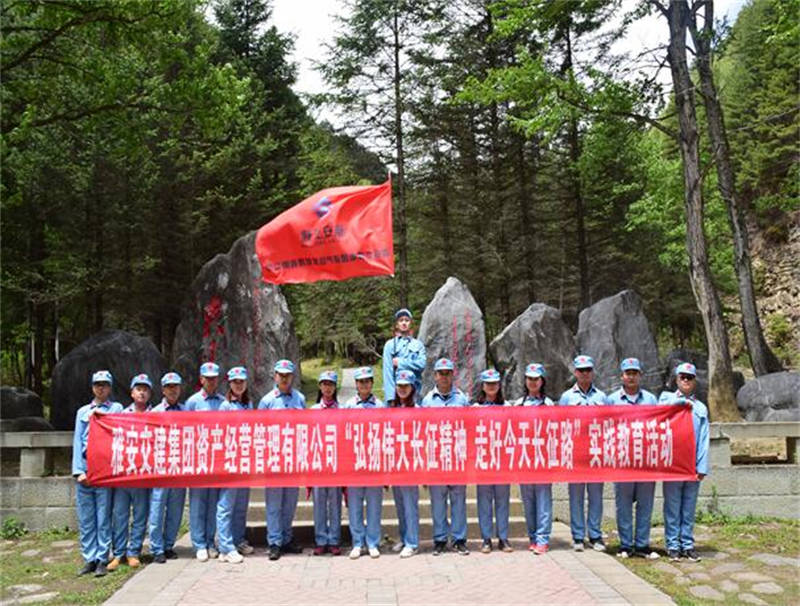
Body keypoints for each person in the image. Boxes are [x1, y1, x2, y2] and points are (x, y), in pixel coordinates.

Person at [605, 358, 660, 559]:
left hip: (645, 462)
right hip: (622, 462)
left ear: (640, 376)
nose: (631, 377)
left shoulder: (651, 400)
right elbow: (605, 428)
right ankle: (626, 544)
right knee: (623, 505)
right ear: (622, 376)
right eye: (627, 373)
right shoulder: (612, 400)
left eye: (634, 373)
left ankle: (642, 545)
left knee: (645, 504)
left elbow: (659, 427)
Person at [72, 370, 123, 577]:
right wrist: (78, 471)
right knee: (86, 518)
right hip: (85, 469)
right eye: (97, 384)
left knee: (103, 517)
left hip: (104, 470)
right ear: (93, 387)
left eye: (105, 384)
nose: (101, 388)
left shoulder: (117, 409)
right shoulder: (83, 412)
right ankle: (89, 558)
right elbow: (77, 441)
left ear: (110, 388)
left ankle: (102, 557)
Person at [659, 362, 710, 562]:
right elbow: (658, 415)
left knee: (688, 507)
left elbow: (704, 439)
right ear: (676, 379)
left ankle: (687, 545)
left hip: (692, 465)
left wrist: (702, 466)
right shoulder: (666, 399)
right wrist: (679, 403)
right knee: (672, 507)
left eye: (690, 377)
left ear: (695, 381)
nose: (686, 380)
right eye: (683, 377)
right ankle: (673, 545)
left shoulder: (700, 408)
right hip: (673, 464)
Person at [421, 358, 470, 555]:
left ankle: (459, 539)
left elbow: (469, 428)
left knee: (458, 501)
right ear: (435, 376)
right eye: (440, 373)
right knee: (438, 502)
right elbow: (423, 432)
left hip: (457, 457)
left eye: (447, 373)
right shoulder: (427, 401)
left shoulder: (462, 399)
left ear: (452, 375)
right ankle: (440, 539)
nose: (444, 377)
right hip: (436, 458)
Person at [258, 359, 306, 561]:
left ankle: (287, 538)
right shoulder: (267, 401)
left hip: (293, 459)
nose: (284, 379)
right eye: (281, 375)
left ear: (292, 377)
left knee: (290, 503)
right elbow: (259, 430)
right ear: (275, 376)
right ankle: (275, 542)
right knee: (274, 504)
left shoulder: (300, 399)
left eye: (288, 375)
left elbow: (305, 427)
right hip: (274, 459)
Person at [559, 355, 607, 552]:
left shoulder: (602, 397)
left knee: (596, 496)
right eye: (581, 370)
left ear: (593, 372)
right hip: (576, 453)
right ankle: (578, 536)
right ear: (575, 373)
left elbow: (610, 424)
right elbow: (560, 425)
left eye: (588, 370)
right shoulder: (567, 397)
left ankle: (595, 535)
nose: (585, 373)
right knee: (576, 497)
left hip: (596, 453)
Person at [108, 374, 153, 571]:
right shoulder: (121, 414)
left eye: (145, 389)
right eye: (138, 389)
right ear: (132, 393)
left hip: (143, 475)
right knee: (120, 515)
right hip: (124, 474)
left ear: (150, 393)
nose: (142, 393)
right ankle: (118, 553)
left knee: (141, 516)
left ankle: (134, 551)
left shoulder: (155, 415)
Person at [342, 366, 384, 559]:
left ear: (372, 383)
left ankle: (373, 542)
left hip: (374, 462)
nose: (364, 385)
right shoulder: (349, 405)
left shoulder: (380, 405)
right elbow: (343, 432)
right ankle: (358, 542)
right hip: (354, 462)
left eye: (367, 381)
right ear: (356, 384)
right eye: (361, 382)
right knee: (355, 505)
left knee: (374, 505)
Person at [185, 362, 225, 562]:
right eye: (207, 378)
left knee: (212, 503)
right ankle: (199, 543)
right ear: (201, 379)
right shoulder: (192, 402)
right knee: (198, 503)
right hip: (198, 459)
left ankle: (210, 541)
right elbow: (185, 430)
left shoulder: (223, 402)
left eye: (214, 378)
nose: (211, 381)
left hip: (217, 459)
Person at [514, 363, 554, 555]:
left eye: (536, 379)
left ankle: (543, 538)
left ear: (542, 381)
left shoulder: (549, 404)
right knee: (528, 500)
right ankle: (532, 537)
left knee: (543, 500)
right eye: (529, 378)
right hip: (525, 458)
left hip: (543, 459)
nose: (532, 382)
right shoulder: (518, 404)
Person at [147, 372, 187, 564]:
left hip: (179, 468)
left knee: (175, 510)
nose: (172, 390)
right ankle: (156, 548)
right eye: (169, 387)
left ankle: (169, 545)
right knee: (157, 508)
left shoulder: (186, 412)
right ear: (163, 390)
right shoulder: (154, 412)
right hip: (160, 469)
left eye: (175, 386)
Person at [216, 366, 254, 564]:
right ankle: (225, 546)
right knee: (226, 505)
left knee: (241, 505)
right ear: (229, 384)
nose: (239, 385)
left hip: (245, 461)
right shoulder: (225, 406)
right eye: (235, 382)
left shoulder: (249, 404)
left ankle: (238, 540)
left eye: (242, 382)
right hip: (230, 461)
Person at [473, 369, 513, 554]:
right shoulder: (475, 408)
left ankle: (503, 538)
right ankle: (486, 538)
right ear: (482, 386)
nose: (491, 386)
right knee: (484, 501)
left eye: (494, 383)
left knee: (503, 500)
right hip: (482, 461)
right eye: (488, 383)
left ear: (499, 385)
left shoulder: (507, 407)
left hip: (502, 461)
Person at [309, 370, 343, 556]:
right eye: (324, 384)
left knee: (335, 504)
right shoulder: (313, 411)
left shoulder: (342, 410)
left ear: (335, 387)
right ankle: (321, 539)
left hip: (336, 463)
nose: (328, 388)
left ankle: (335, 539)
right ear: (320, 387)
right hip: (318, 463)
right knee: (319, 504)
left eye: (331, 384)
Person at [389, 369, 420, 558]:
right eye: (399, 386)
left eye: (406, 386)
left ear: (412, 388)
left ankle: (412, 542)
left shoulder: (418, 410)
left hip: (411, 464)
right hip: (395, 463)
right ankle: (404, 537)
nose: (402, 389)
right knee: (400, 505)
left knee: (410, 506)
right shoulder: (391, 409)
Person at [382, 308, 426, 406]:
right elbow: (387, 372)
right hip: (397, 395)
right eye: (401, 320)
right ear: (397, 324)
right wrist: (390, 397)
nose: (404, 323)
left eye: (407, 320)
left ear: (411, 323)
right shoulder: (389, 345)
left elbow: (422, 364)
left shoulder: (418, 345)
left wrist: (401, 363)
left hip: (415, 393)